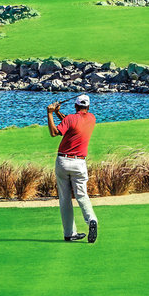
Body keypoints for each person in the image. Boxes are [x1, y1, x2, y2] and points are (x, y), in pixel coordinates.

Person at [47, 94, 98, 243]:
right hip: (79, 164)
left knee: (65, 199)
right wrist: (58, 113)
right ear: (88, 107)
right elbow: (70, 123)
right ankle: (91, 219)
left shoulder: (70, 119)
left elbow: (54, 132)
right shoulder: (92, 118)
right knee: (82, 195)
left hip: (63, 162)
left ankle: (69, 233)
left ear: (75, 106)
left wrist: (50, 113)